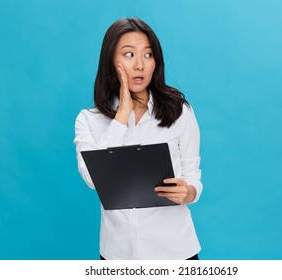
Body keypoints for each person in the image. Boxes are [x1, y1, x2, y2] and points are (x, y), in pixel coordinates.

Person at [74, 18, 203, 260]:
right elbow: (94, 179)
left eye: (148, 55)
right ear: (111, 60)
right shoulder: (88, 120)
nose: (140, 65)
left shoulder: (179, 111)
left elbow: (193, 175)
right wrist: (121, 116)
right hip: (118, 254)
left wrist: (188, 192)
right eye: (129, 54)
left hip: (176, 251)